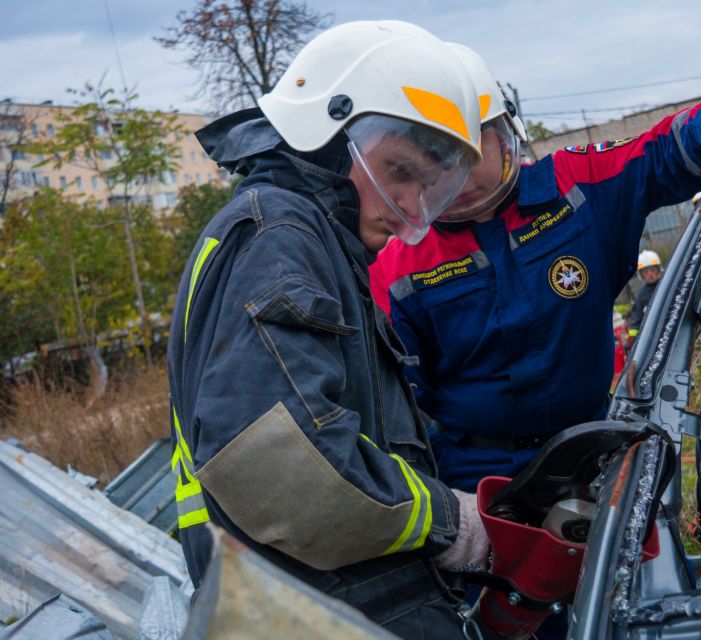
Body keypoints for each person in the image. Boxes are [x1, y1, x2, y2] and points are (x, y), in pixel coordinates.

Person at [370, 47, 701, 493]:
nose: (458, 178)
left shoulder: (575, 187)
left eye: (469, 152)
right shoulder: (396, 267)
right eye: (437, 161)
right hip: (477, 481)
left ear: (502, 132)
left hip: (594, 453)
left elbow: (661, 150)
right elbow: (391, 407)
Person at [166, 21, 493, 637]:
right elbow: (280, 464)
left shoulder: (309, 238)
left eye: (429, 189)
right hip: (320, 609)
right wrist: (449, 521)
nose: (411, 210)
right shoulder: (280, 239)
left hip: (321, 600)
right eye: (399, 172)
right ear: (330, 133)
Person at [626, 249, 663, 330]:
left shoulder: (666, 284)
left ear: (658, 269)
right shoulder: (641, 294)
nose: (650, 274)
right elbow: (637, 319)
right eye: (646, 272)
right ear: (641, 274)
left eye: (653, 270)